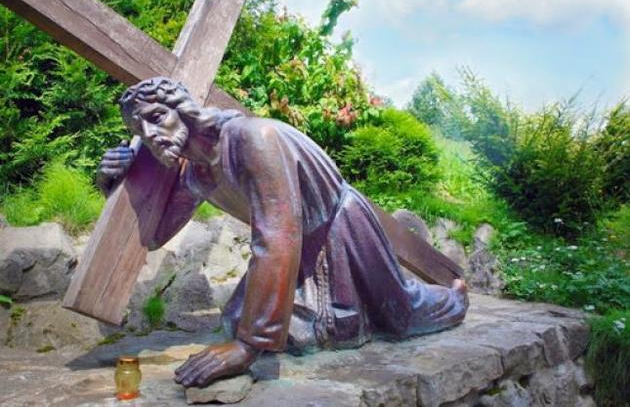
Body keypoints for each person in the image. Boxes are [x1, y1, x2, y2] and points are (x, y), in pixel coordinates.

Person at [98, 77, 469, 388]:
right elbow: (155, 235)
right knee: (241, 320)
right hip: (297, 247)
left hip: (341, 231)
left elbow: (275, 238)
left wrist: (247, 347)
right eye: (140, 131)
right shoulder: (196, 173)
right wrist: (118, 182)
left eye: (157, 117)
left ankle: (454, 296)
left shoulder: (252, 139)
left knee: (400, 315)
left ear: (183, 108)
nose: (151, 135)